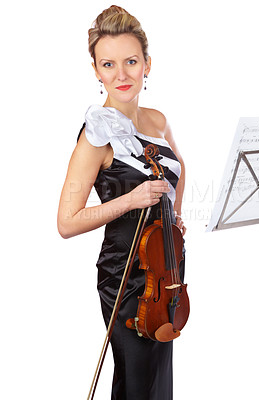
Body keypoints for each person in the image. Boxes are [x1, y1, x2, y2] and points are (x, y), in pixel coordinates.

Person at [57, 5, 186, 400]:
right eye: (108, 64)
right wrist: (131, 199)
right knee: (137, 380)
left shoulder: (158, 120)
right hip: (126, 276)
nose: (121, 74)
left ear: (148, 63)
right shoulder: (95, 137)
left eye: (131, 61)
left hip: (163, 264)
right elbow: (67, 221)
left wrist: (174, 217)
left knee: (155, 379)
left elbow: (180, 169)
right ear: (96, 70)